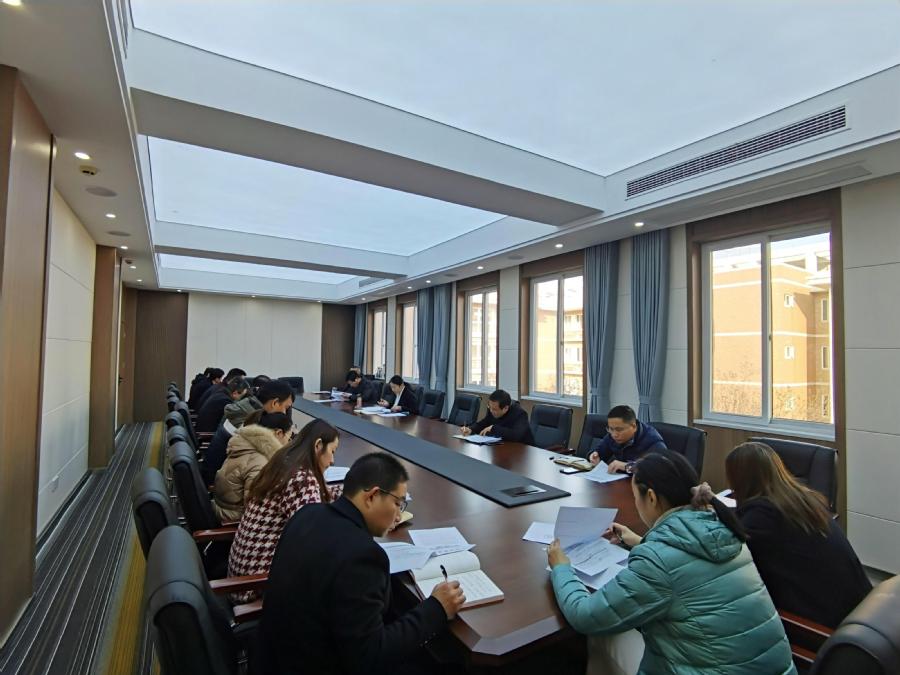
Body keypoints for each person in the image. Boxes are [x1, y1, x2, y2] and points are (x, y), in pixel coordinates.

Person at [547, 451, 796, 674]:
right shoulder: (726, 532)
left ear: (651, 497)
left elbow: (586, 616)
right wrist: (640, 542)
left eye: (635, 496)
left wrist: (561, 567)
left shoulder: (657, 562)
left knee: (606, 633)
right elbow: (686, 568)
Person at [262, 452, 466, 675]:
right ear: (372, 496)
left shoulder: (307, 514)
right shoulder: (362, 557)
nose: (399, 516)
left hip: (275, 657)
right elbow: (370, 657)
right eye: (398, 503)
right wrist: (436, 608)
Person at [726, 442, 871, 628]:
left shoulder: (763, 515)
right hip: (860, 608)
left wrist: (711, 505)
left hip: (824, 627)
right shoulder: (803, 499)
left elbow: (729, 543)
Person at [227, 419, 342, 601]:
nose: (332, 461)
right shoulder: (302, 478)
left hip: (244, 572)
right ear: (318, 445)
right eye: (332, 451)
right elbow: (315, 537)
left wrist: (352, 492)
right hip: (257, 585)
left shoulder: (284, 462)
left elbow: (319, 497)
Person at [213, 410, 293, 522]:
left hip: (224, 508)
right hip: (234, 518)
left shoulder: (246, 445)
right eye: (289, 437)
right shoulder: (260, 463)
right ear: (279, 433)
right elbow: (254, 509)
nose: (289, 442)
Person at [580, 405, 666, 474]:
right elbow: (598, 452)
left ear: (634, 426)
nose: (614, 434)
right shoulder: (612, 435)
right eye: (611, 429)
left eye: (619, 429)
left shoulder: (652, 440)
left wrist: (626, 466)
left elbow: (657, 469)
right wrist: (593, 456)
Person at [459, 389, 534, 444]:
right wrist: (471, 429)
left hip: (522, 451)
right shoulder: (492, 408)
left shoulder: (520, 414)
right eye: (489, 407)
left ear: (505, 408)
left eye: (494, 409)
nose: (491, 411)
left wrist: (493, 428)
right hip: (502, 447)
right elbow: (484, 423)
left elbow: (515, 435)